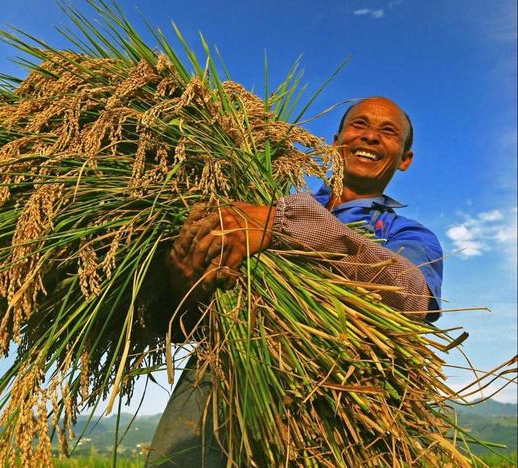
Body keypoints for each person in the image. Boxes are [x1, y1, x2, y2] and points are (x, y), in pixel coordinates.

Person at [145, 96, 443, 467]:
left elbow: (411, 295)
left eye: (388, 132)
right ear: (335, 141)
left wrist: (283, 226)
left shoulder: (407, 234)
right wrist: (186, 278)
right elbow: (185, 325)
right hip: (210, 395)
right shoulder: (262, 200)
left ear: (404, 159)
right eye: (359, 125)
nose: (369, 137)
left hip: (331, 408)